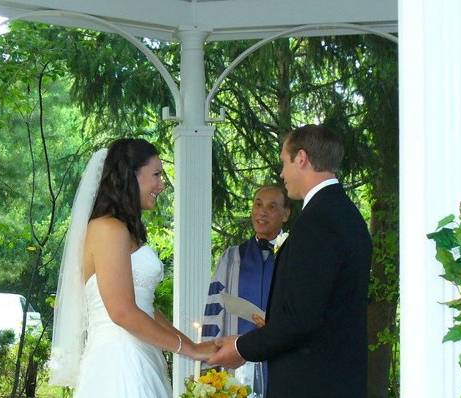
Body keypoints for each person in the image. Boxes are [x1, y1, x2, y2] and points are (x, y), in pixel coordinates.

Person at [208, 125, 373, 398]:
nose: (282, 174)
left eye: (285, 162)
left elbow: (299, 319)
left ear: (302, 158)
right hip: (339, 378)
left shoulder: (318, 222)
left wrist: (240, 348)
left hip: (312, 383)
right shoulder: (346, 215)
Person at [49, 138, 215, 397]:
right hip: (118, 361)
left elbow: (144, 307)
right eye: (156, 175)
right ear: (130, 176)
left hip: (140, 353)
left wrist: (192, 344)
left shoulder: (124, 231)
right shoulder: (107, 229)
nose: (162, 184)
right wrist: (190, 350)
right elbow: (123, 312)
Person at [201, 185, 290, 393]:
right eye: (258, 204)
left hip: (282, 362)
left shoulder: (295, 256)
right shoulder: (231, 258)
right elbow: (214, 314)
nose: (262, 212)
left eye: (272, 206)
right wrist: (209, 368)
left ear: (286, 214)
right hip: (237, 368)